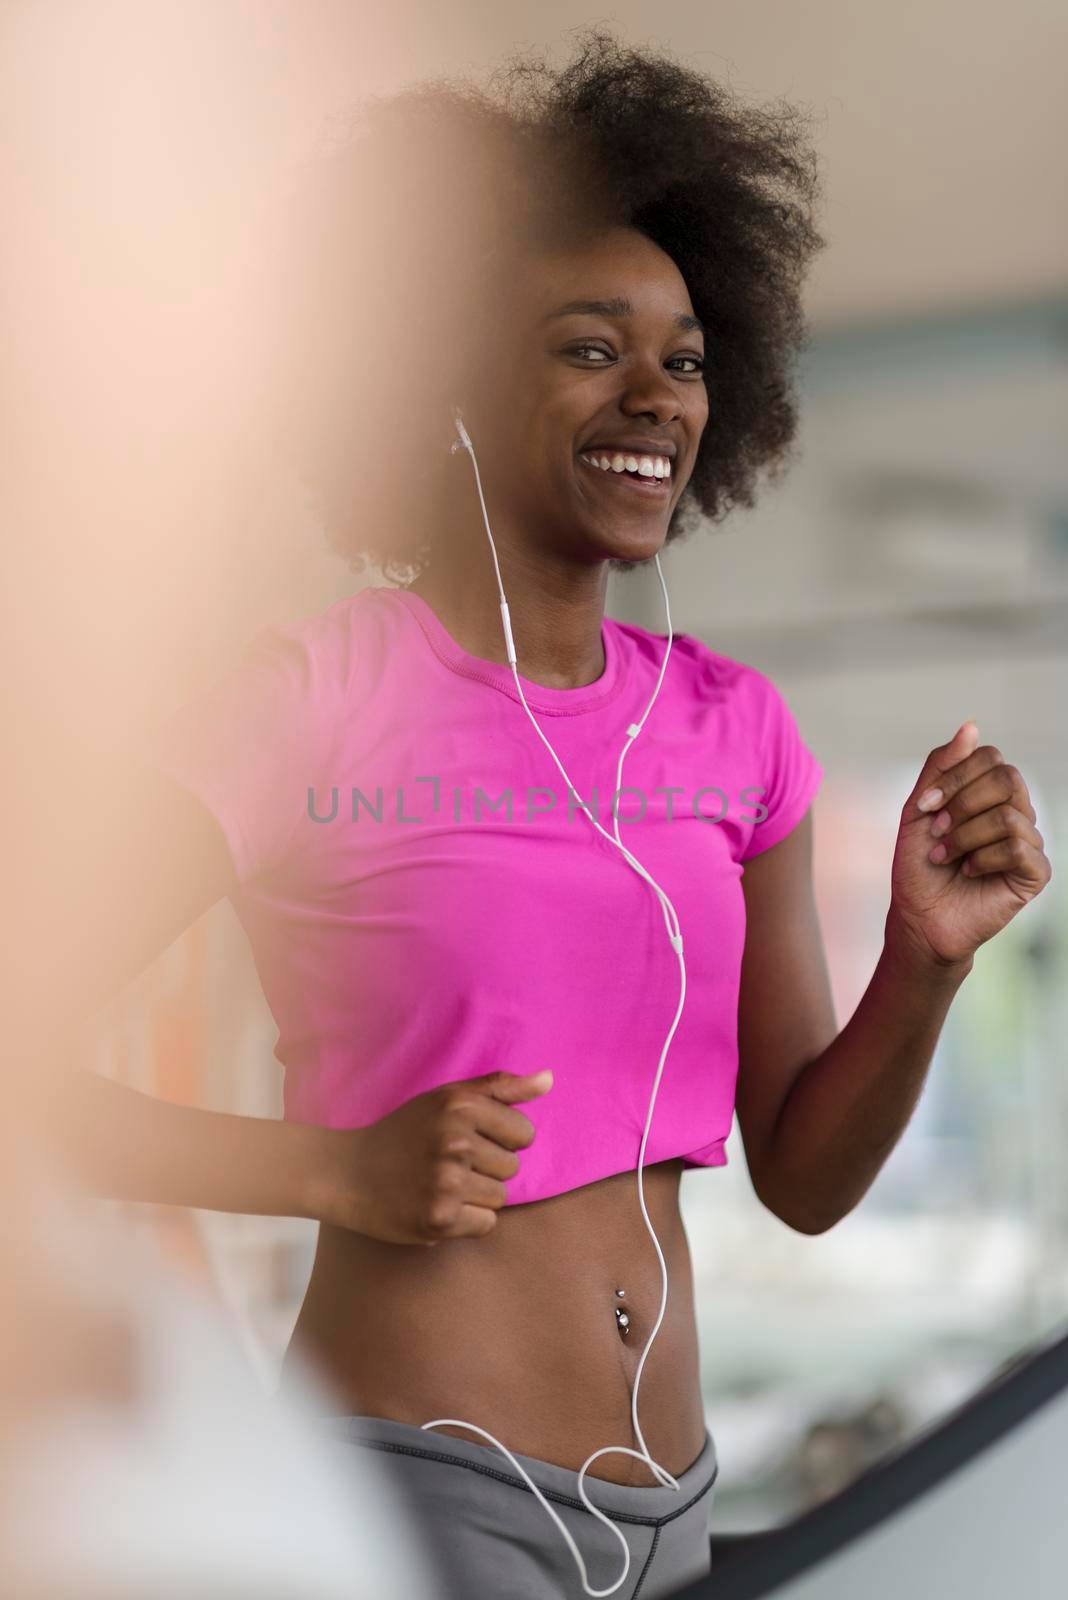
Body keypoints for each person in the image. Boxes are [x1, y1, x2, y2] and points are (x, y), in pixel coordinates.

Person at [44, 25, 1050, 1600]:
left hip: (681, 1501)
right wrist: (331, 1173)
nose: (656, 393)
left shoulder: (739, 730)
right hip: (418, 1494)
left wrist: (924, 964)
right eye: (590, 345)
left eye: (687, 356)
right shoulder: (320, 694)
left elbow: (802, 1170)